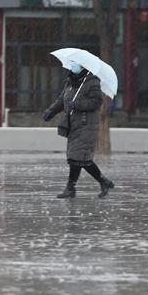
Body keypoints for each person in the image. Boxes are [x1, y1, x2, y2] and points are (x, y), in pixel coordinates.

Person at [43, 62, 114, 198]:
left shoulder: (92, 82)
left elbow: (96, 102)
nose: (72, 68)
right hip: (74, 125)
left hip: (86, 125)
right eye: (72, 65)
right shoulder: (70, 82)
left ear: (83, 67)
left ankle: (72, 188)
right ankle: (101, 181)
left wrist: (78, 104)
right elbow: (61, 100)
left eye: (76, 65)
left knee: (79, 158)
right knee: (76, 158)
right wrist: (50, 111)